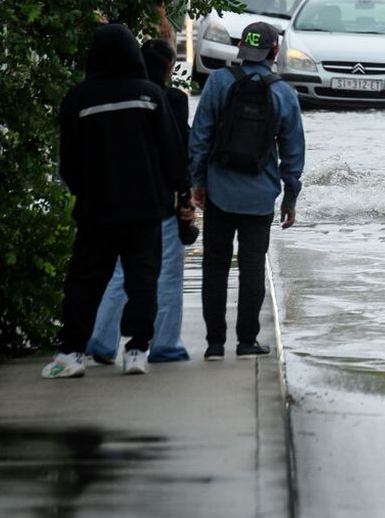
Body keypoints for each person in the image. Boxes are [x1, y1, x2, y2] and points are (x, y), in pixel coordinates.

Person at [44, 24, 186, 379]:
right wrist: (179, 193)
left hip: (97, 210)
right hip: (146, 208)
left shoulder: (78, 99)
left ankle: (72, 354)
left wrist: (82, 191)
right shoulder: (150, 95)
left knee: (85, 282)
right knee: (143, 280)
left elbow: (69, 160)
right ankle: (137, 350)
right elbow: (171, 151)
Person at [189, 21, 305, 360]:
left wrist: (198, 181)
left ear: (241, 47)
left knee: (215, 266)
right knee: (252, 267)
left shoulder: (218, 82)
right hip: (260, 196)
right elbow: (293, 152)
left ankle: (214, 344)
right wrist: (290, 197)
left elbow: (200, 136)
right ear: (274, 51)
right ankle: (246, 341)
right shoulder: (283, 93)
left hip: (219, 192)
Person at [85, 39, 195, 365]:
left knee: (120, 272)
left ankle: (101, 339)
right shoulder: (172, 99)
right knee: (167, 275)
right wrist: (185, 194)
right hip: (161, 199)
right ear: (170, 68)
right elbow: (178, 149)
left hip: (119, 197)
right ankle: (164, 345)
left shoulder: (121, 96)